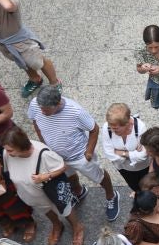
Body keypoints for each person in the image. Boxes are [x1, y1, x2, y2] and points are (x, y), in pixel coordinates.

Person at [29, 85, 118, 220]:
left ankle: (111, 195)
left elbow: (94, 129)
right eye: (40, 108)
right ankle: (79, 192)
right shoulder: (36, 104)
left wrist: (88, 153)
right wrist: (43, 144)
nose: (41, 111)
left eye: (45, 110)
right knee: (69, 175)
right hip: (56, 155)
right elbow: (35, 121)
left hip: (79, 155)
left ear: (57, 104)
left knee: (98, 176)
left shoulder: (75, 112)